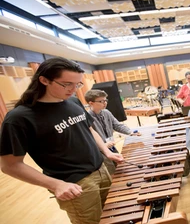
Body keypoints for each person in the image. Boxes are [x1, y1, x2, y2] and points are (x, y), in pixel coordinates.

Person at [0, 57, 124, 224]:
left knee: (113, 217)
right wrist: (56, 185)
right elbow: (10, 165)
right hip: (75, 184)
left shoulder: (72, 101)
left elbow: (89, 129)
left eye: (77, 84)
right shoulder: (19, 118)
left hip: (101, 170)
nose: (73, 90)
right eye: (67, 84)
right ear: (44, 80)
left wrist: (106, 151)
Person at [84, 89, 140, 174]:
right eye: (101, 101)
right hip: (100, 153)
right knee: (112, 172)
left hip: (112, 148)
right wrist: (103, 146)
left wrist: (130, 132)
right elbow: (87, 139)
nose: (105, 103)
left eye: (105, 100)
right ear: (91, 103)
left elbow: (117, 125)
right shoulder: (87, 118)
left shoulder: (106, 112)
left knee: (121, 168)